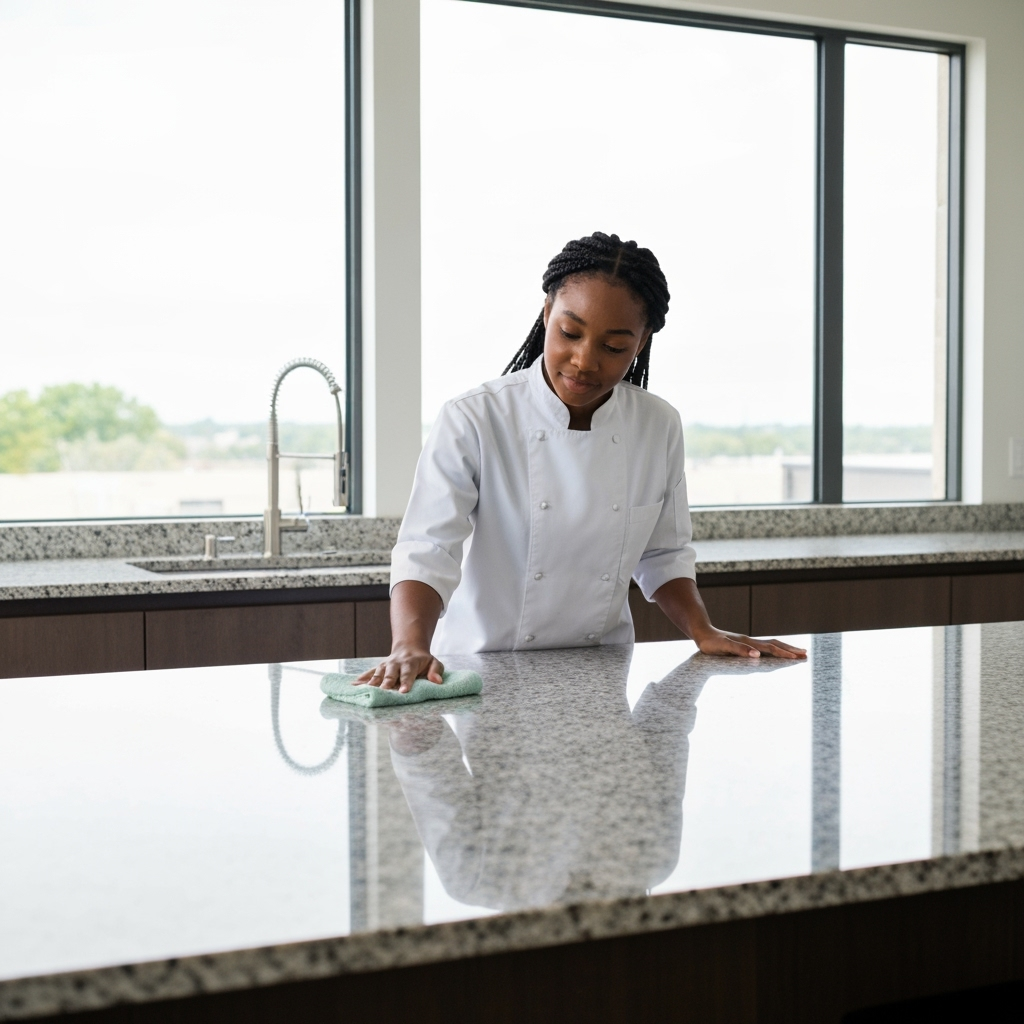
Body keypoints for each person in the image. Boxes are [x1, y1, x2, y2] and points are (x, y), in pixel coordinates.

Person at [360, 232, 806, 692]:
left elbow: (664, 554)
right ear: (547, 313)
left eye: (613, 347)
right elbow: (428, 548)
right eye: (570, 334)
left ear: (641, 342)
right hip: (483, 672)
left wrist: (702, 630)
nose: (584, 361)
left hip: (600, 675)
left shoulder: (657, 424)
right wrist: (409, 643)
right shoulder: (475, 417)